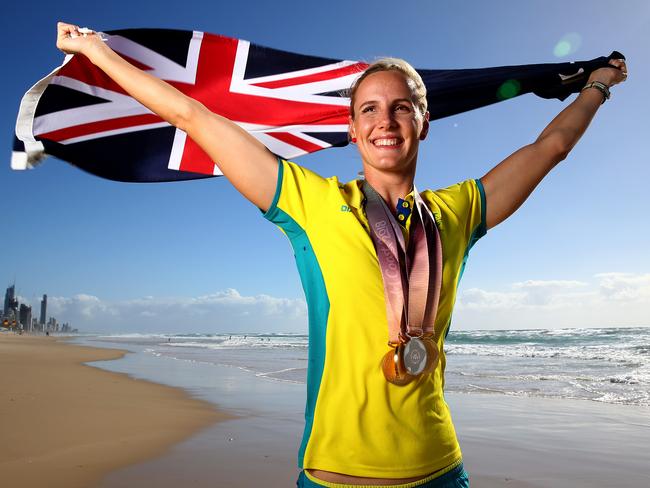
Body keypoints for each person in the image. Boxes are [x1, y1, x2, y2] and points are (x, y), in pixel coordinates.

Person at [55, 22, 627, 487]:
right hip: (335, 474)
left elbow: (550, 148)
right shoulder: (310, 202)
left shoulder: (457, 212)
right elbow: (194, 117)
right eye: (370, 110)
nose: (386, 121)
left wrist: (597, 85)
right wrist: (97, 52)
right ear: (352, 130)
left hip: (440, 470)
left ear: (423, 124)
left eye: (402, 107)